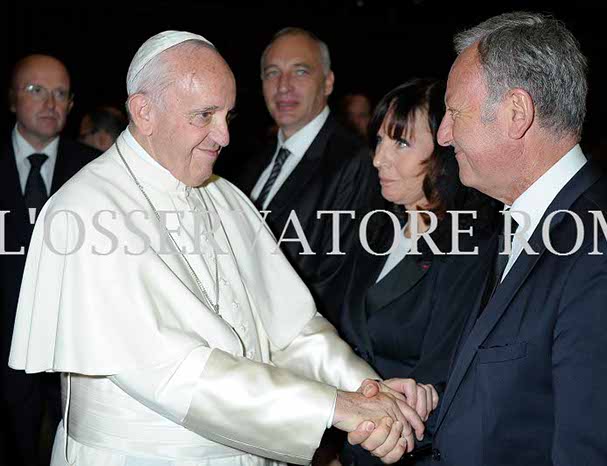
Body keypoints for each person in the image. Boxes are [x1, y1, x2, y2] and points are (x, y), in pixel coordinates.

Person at [8, 31, 436, 466]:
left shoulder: (224, 196)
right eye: (204, 115)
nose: (224, 136)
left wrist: (367, 389)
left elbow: (294, 328)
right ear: (144, 111)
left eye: (227, 115)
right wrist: (337, 406)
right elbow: (175, 373)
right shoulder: (84, 210)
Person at [424, 12, 607, 465]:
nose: (443, 135)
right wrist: (428, 402)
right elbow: (522, 399)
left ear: (516, 114)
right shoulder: (523, 220)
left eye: (453, 112)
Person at [336, 78, 496, 466]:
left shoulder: (470, 245)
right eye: (379, 140)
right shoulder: (374, 227)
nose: (378, 159)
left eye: (401, 143)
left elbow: (442, 381)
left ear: (445, 151)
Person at [233, 27, 380, 326]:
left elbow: (336, 282)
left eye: (300, 71)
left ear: (327, 83)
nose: (283, 86)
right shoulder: (253, 164)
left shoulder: (354, 163)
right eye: (272, 73)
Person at [1, 54, 98, 466]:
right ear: (12, 99)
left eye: (61, 94)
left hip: (72, 352)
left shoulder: (95, 172)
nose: (50, 103)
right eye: (36, 90)